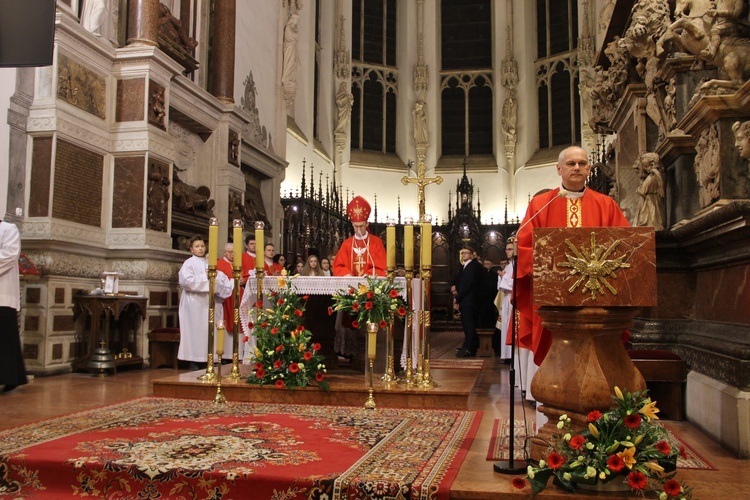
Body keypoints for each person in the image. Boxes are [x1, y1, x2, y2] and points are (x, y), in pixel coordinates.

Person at [514, 146, 630, 368]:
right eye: (571, 164)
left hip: (598, 294)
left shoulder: (606, 204)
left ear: (588, 169)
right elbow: (525, 244)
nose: (577, 167)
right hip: (553, 295)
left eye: (582, 163)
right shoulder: (541, 204)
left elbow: (624, 246)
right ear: (559, 169)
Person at [0, 220, 27, 393]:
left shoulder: (8, 229)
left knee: (4, 337)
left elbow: (9, 255)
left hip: (2, 293)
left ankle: (10, 377)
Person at [333, 196, 387, 277]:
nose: (358, 229)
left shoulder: (376, 242)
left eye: (361, 226)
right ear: (352, 224)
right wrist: (346, 274)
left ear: (367, 224)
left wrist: (369, 275)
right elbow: (338, 266)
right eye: (356, 226)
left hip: (371, 286)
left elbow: (381, 267)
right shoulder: (347, 244)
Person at [453, 247, 484, 358]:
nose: (464, 255)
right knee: (466, 326)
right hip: (466, 300)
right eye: (462, 253)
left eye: (466, 253)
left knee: (469, 325)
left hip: (469, 300)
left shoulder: (472, 266)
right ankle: (467, 345)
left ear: (472, 255)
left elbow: (467, 285)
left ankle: (470, 348)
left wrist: (458, 298)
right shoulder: (466, 266)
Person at [215, 243, 237, 360]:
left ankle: (234, 354)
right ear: (224, 253)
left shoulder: (237, 264)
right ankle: (225, 355)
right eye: (229, 252)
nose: (232, 254)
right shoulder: (219, 264)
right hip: (224, 300)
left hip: (236, 298)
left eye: (234, 252)